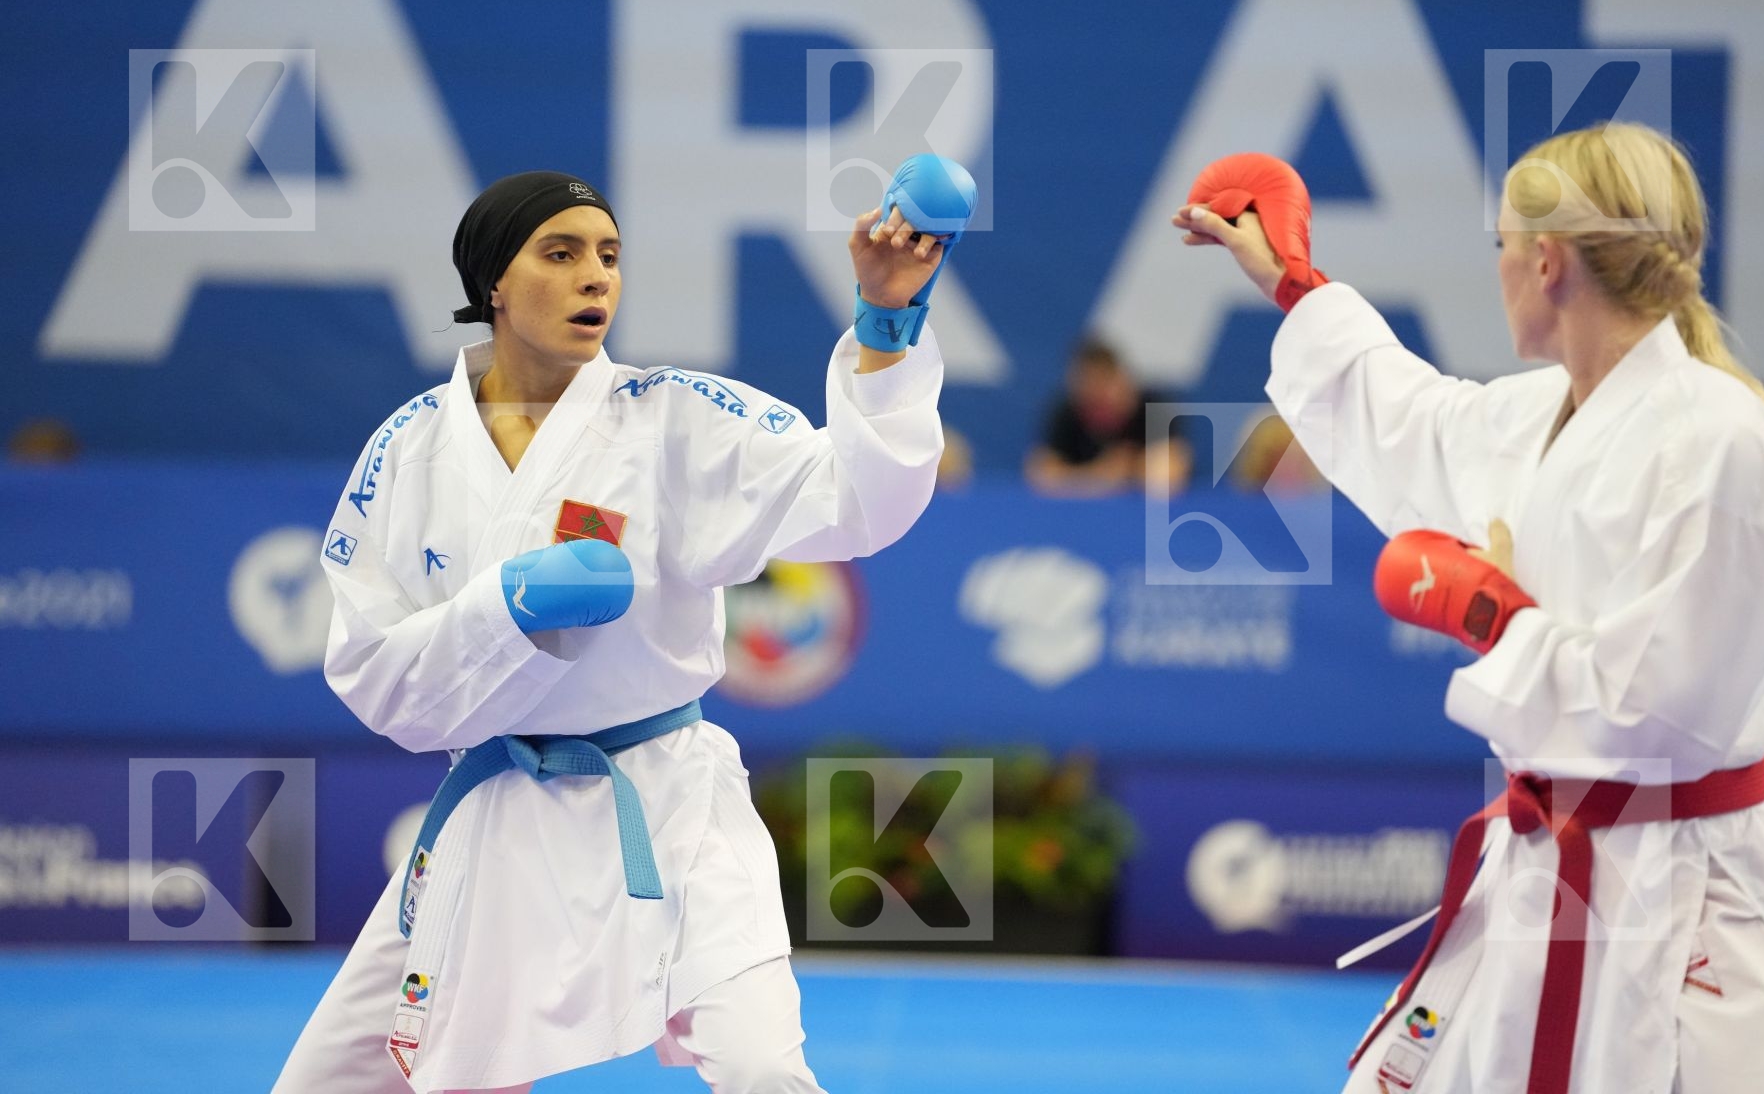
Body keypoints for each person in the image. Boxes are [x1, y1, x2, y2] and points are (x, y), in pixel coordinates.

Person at [274, 156, 974, 1094]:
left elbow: (859, 504)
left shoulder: (673, 416)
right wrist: (506, 611)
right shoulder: (408, 449)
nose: (594, 274)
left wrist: (887, 320)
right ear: (493, 283)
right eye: (559, 253)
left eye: (607, 253)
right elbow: (378, 684)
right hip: (492, 815)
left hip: (668, 806)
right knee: (331, 1083)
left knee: (763, 1067)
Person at [1174, 129, 1764, 1094]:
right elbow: (1412, 426)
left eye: (1503, 244)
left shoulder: (1723, 444)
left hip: (1684, 902)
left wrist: (1494, 619)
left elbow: (1672, 713)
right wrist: (1295, 284)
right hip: (1546, 872)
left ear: (1546, 262)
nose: (1500, 267)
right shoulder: (1545, 411)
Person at [1025, 337, 1191, 496]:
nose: (1095, 397)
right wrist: (1102, 473)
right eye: (1086, 388)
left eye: (1102, 385)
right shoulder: (1068, 412)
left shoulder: (1155, 408)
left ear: (1120, 380)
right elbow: (1042, 472)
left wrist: (1130, 467)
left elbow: (1171, 470)